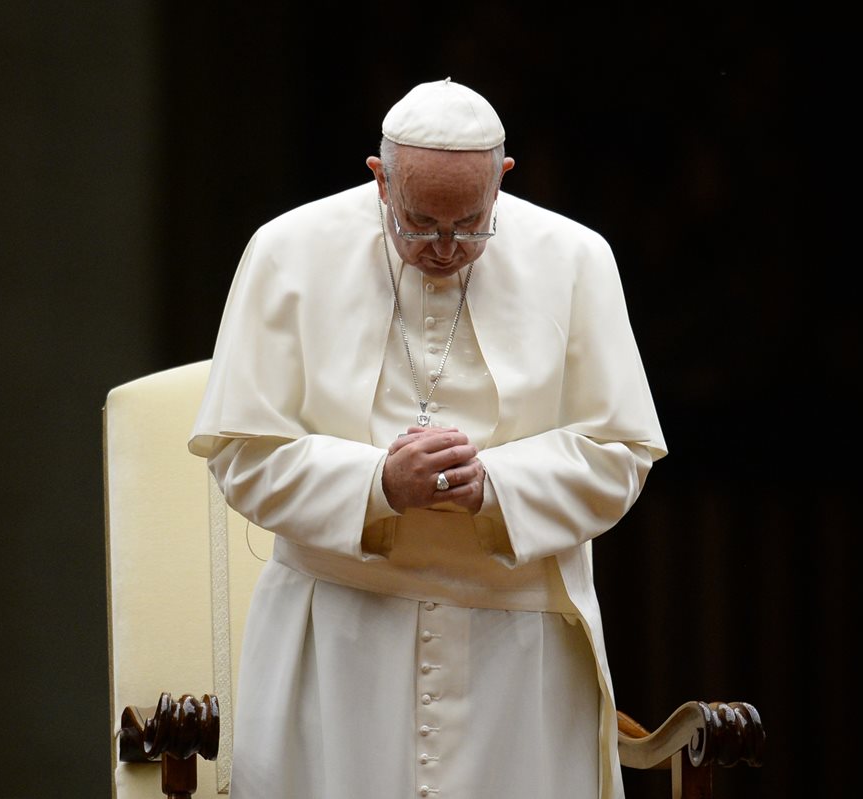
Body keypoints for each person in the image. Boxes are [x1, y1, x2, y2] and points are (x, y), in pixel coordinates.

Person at [188, 77, 665, 798]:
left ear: (503, 180)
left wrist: (497, 485)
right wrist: (376, 484)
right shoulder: (285, 251)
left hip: (518, 636)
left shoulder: (577, 259)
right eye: (419, 222)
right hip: (336, 627)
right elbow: (241, 453)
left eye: (471, 223)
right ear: (380, 180)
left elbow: (620, 452)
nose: (445, 247)